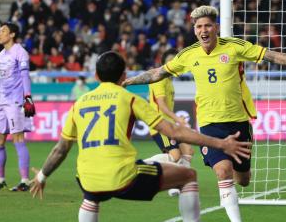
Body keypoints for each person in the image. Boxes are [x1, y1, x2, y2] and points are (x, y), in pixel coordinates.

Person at [122, 5, 286, 222]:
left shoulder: (234, 47)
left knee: (243, 179)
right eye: (199, 26)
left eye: (208, 25)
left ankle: (233, 187)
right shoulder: (188, 55)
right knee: (223, 171)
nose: (204, 30)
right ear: (194, 30)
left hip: (238, 122)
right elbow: (158, 73)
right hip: (210, 125)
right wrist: (130, 81)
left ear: (216, 28)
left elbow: (272, 56)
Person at [29, 51, 251, 222]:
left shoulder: (79, 104)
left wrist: (41, 177)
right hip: (122, 177)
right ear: (124, 75)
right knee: (188, 175)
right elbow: (174, 132)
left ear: (96, 76)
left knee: (91, 196)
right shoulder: (129, 99)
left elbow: (61, 148)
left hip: (86, 178)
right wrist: (220, 143)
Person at [0, 21, 36, 192]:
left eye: (3, 31)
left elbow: (25, 76)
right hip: (2, 102)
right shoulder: (1, 56)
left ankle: (25, 181)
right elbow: (2, 80)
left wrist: (28, 97)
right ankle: (0, 179)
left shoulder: (20, 53)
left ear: (12, 34)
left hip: (16, 102)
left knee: (18, 139)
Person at [146, 48, 194, 197]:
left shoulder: (169, 79)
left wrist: (176, 122)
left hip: (169, 124)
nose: (172, 63)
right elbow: (162, 106)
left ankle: (180, 182)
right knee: (175, 155)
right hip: (161, 125)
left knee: (188, 151)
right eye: (170, 60)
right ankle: (143, 165)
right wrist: (177, 119)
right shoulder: (159, 78)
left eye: (175, 60)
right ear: (164, 62)